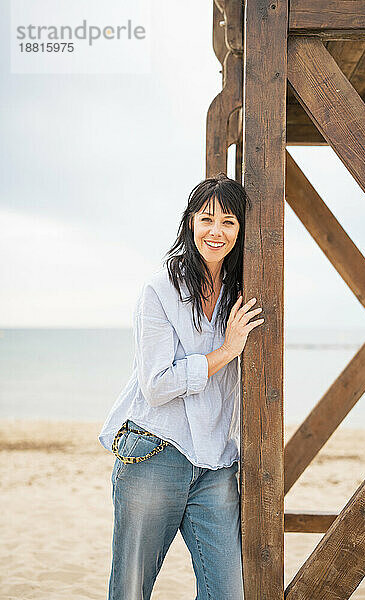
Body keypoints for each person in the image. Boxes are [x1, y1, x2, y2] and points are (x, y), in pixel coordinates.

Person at [98, 172, 264, 600]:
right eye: (207, 218)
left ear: (240, 231)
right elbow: (156, 385)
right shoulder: (159, 291)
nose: (217, 231)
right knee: (131, 589)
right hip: (156, 453)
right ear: (190, 223)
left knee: (227, 593)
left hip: (216, 466)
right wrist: (226, 352)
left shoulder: (241, 293)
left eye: (229, 221)